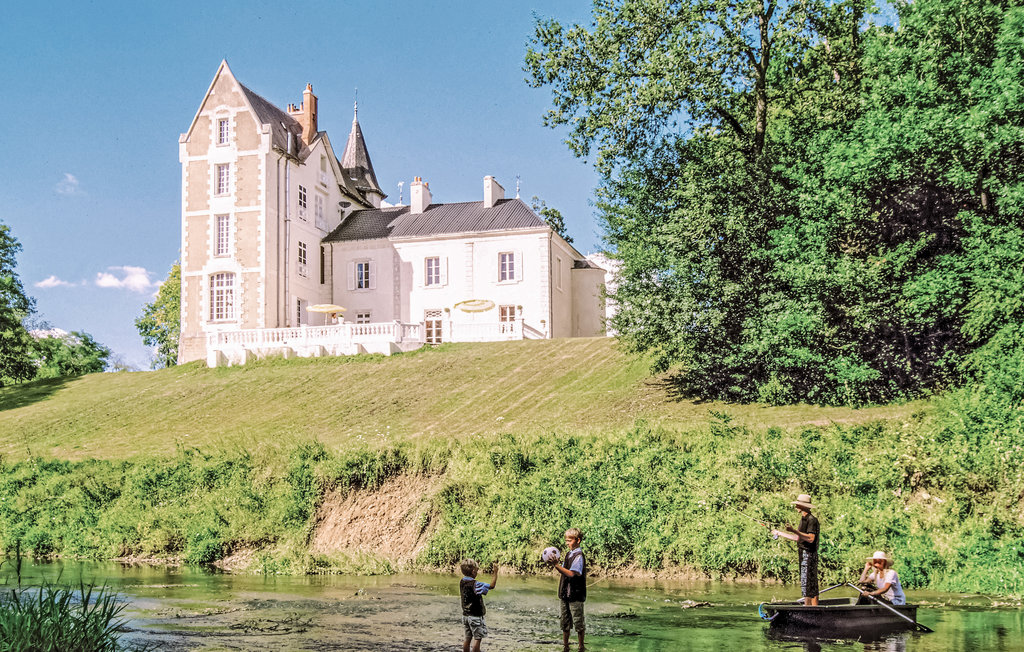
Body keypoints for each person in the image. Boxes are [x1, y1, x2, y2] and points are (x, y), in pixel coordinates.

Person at [549, 527, 586, 652]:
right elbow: (563, 570)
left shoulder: (579, 556)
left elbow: (571, 573)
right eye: (566, 541)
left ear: (578, 540)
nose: (567, 543)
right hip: (565, 594)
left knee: (578, 622)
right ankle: (566, 646)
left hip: (575, 595)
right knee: (565, 622)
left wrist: (556, 565)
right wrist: (557, 564)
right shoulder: (569, 554)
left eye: (569, 541)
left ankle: (581, 647)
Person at [785, 493, 820, 606]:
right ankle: (811, 608)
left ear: (803, 506)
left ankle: (809, 608)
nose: (796, 506)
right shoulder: (803, 519)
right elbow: (798, 538)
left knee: (808, 584)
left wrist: (793, 530)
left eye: (798, 504)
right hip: (803, 553)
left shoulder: (811, 520)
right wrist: (779, 533)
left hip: (809, 555)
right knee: (807, 583)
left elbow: (811, 538)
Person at [459, 559, 498, 652]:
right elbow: (492, 586)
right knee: (477, 639)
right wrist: (495, 572)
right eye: (477, 570)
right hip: (475, 617)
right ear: (473, 571)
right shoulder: (476, 584)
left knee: (467, 639)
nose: (477, 572)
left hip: (465, 616)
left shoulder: (462, 581)